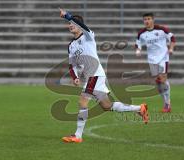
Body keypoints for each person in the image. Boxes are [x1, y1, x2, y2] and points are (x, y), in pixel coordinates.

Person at [59, 9, 148, 143]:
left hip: (94, 74)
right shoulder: (71, 45)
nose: (70, 25)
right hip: (89, 77)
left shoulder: (88, 36)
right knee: (106, 106)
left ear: (79, 25)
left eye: (73, 23)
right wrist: (75, 77)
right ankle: (139, 108)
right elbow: (71, 65)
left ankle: (77, 136)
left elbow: (79, 24)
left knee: (82, 101)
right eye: (69, 24)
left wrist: (67, 16)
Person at [135, 13, 176, 113]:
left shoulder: (162, 30)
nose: (147, 21)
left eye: (148, 19)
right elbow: (137, 43)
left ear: (153, 20)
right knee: (158, 83)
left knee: (162, 79)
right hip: (152, 60)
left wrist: (171, 48)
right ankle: (166, 102)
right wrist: (138, 50)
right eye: (145, 19)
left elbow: (172, 38)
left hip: (163, 58)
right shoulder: (142, 33)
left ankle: (167, 104)